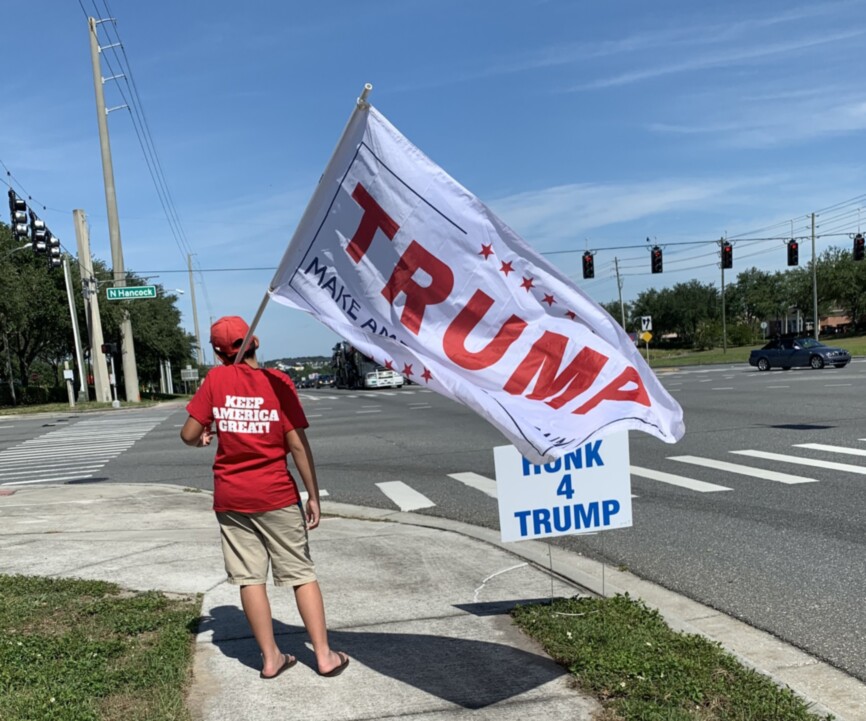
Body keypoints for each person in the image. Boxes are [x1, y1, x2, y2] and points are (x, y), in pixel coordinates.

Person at [181, 316, 349, 679]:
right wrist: (313, 495)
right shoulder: (279, 382)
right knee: (301, 574)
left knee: (250, 578)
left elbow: (188, 434)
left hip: (231, 496)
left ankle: (270, 657)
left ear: (216, 352)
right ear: (255, 341)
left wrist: (203, 436)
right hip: (276, 493)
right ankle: (323, 655)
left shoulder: (215, 380)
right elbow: (297, 446)